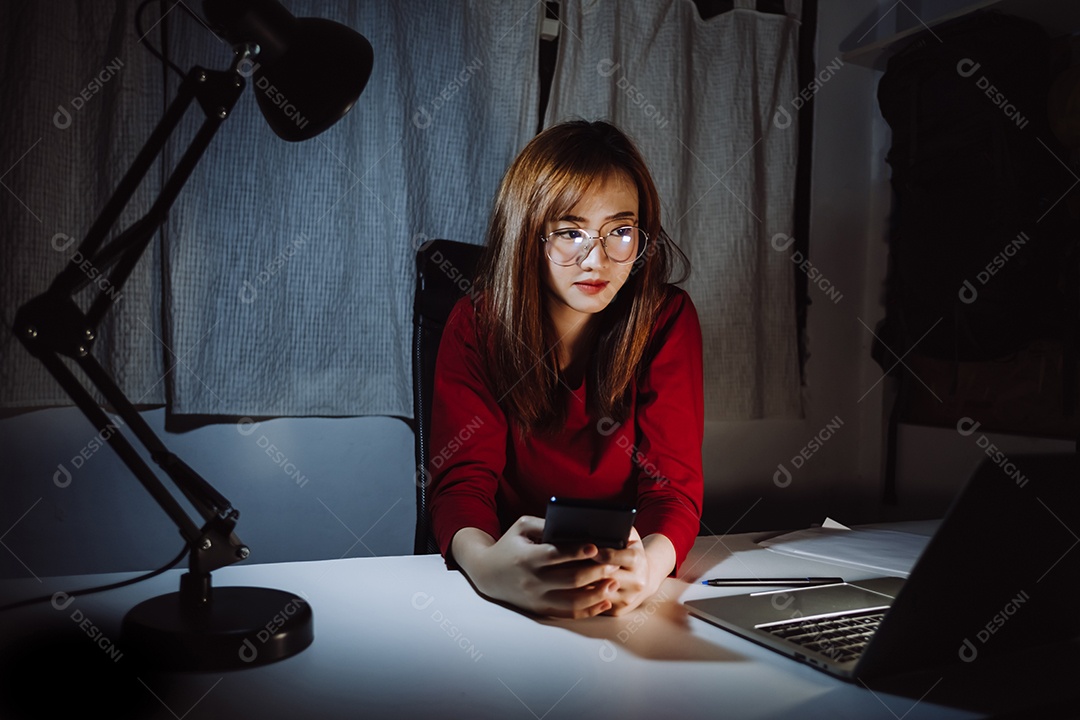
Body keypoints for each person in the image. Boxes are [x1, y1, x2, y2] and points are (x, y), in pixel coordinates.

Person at [428, 119, 703, 619]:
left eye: (620, 231)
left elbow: (672, 490)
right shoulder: (476, 324)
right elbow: (461, 484)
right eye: (571, 233)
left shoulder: (667, 319)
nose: (596, 259)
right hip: (514, 571)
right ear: (529, 235)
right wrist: (488, 566)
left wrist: (649, 569)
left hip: (624, 568)